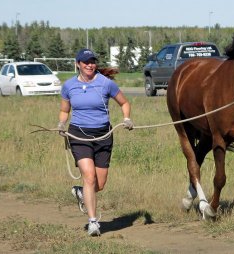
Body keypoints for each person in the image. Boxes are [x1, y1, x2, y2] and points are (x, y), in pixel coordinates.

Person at [57, 48, 134, 236]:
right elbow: (65, 110)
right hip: (79, 135)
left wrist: (126, 118)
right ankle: (93, 222)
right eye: (85, 62)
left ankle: (81, 192)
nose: (90, 65)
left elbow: (124, 103)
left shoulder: (106, 84)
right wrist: (61, 123)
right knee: (89, 177)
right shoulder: (69, 86)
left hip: (103, 135)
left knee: (100, 184)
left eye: (92, 61)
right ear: (78, 64)